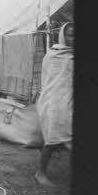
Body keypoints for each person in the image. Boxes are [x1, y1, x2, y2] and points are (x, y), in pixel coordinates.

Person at [35, 23, 74, 186]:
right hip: (53, 102)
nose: (73, 38)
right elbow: (48, 80)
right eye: (70, 35)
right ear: (63, 36)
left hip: (69, 101)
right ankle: (40, 172)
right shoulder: (53, 56)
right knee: (52, 139)